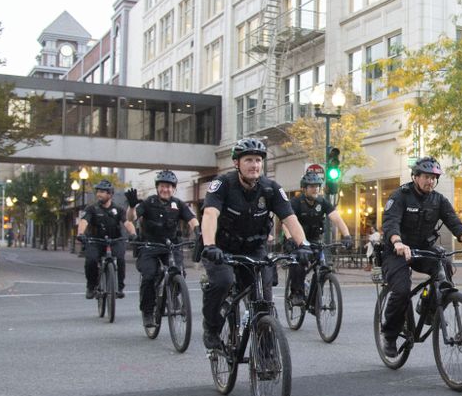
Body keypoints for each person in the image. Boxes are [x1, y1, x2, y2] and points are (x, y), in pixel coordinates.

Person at [199, 138, 311, 351]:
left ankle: (267, 355)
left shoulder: (270, 188)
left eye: (258, 160)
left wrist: (303, 245)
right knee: (223, 282)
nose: (254, 165)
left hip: (254, 250)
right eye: (248, 159)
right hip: (221, 249)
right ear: (236, 163)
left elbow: (290, 218)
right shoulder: (223, 185)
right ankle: (212, 327)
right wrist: (210, 245)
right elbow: (210, 214)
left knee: (263, 302)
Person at [378, 156, 462, 357]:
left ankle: (429, 306)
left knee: (445, 265)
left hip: (422, 249)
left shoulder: (438, 200)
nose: (430, 181)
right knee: (400, 290)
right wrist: (398, 242)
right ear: (415, 177)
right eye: (426, 176)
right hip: (396, 250)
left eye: (434, 178)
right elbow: (391, 222)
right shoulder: (400, 196)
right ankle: (389, 334)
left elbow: (454, 222)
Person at [125, 170, 200, 328]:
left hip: (170, 246)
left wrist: (198, 232)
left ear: (174, 189)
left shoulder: (178, 204)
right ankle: (147, 311)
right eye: (162, 186)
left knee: (178, 271)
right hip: (149, 246)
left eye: (169, 187)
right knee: (150, 275)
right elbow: (130, 218)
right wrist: (132, 207)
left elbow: (192, 219)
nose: (166, 189)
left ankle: (173, 296)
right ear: (157, 187)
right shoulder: (148, 203)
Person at [285, 169, 353, 304]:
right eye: (311, 186)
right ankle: (296, 293)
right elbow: (286, 222)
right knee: (299, 262)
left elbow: (337, 219)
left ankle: (314, 299)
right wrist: (289, 239)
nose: (315, 189)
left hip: (314, 239)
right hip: (296, 239)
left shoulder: (322, 202)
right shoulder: (296, 202)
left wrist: (347, 235)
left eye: (317, 186)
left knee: (322, 267)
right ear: (304, 189)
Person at [76, 179, 136, 299]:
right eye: (98, 191)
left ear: (110, 194)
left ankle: (119, 287)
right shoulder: (91, 209)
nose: (99, 194)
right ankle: (91, 286)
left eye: (102, 192)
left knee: (120, 259)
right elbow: (84, 221)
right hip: (95, 241)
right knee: (91, 260)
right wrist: (81, 233)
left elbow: (127, 222)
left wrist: (133, 233)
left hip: (115, 240)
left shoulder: (118, 209)